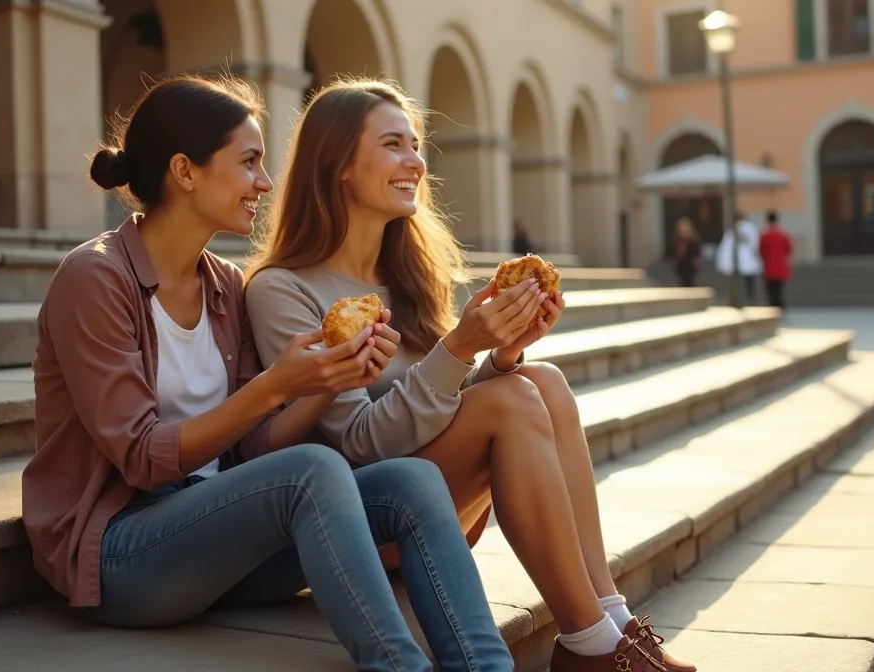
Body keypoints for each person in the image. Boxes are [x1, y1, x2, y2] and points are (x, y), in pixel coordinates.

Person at [22, 74, 511, 672]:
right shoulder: (95, 279)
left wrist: (324, 382)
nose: (266, 180)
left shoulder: (224, 286)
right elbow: (142, 456)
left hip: (219, 537)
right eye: (249, 161)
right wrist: (275, 385)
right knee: (314, 468)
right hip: (122, 554)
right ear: (185, 171)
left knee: (412, 482)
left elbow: (254, 449)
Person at [244, 78, 693, 672]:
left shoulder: (410, 276)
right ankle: (591, 645)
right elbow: (354, 443)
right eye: (393, 145)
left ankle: (610, 619)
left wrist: (504, 352)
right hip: (361, 517)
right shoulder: (284, 289)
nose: (416, 161)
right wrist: (460, 346)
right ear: (340, 166)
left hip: (434, 504)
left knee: (543, 382)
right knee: (509, 402)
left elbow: (444, 399)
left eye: (415, 143)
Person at [715, 211, 761, 303]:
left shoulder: (743, 228)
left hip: (744, 262)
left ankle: (746, 299)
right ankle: (748, 299)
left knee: (744, 283)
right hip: (743, 262)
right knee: (746, 284)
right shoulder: (737, 229)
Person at [757, 210, 793, 312]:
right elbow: (789, 249)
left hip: (769, 268)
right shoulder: (783, 235)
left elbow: (761, 251)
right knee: (780, 291)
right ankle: (781, 309)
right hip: (781, 268)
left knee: (771, 292)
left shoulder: (764, 236)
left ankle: (773, 310)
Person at [672, 217, 702, 288]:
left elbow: (696, 253)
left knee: (690, 281)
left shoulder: (693, 241)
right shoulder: (678, 241)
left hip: (690, 266)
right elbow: (676, 254)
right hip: (682, 266)